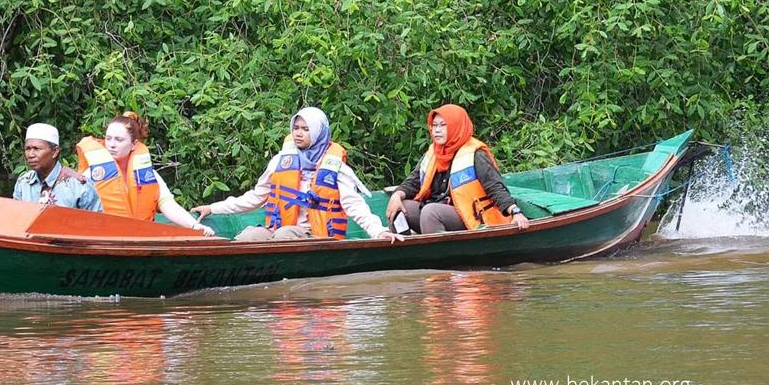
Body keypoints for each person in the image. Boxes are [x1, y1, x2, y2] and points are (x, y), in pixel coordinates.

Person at [191, 107, 399, 242]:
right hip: (277, 229)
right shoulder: (280, 161)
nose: (298, 133)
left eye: (305, 129)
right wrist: (213, 208)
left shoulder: (336, 168)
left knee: (285, 234)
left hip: (316, 236)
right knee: (248, 237)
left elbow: (354, 205)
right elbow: (255, 197)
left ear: (318, 132)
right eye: (296, 128)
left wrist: (378, 231)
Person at [385, 104, 529, 234]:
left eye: (443, 125)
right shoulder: (434, 153)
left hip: (470, 216)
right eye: (434, 125)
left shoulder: (476, 154)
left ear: (456, 126)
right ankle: (405, 250)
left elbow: (495, 187)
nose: (437, 130)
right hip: (437, 208)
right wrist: (396, 196)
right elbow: (413, 182)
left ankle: (438, 253)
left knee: (431, 212)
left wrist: (515, 212)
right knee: (398, 207)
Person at [76, 112, 215, 236]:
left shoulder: (149, 175)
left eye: (119, 140)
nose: (111, 145)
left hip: (142, 239)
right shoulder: (92, 174)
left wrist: (195, 225)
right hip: (105, 239)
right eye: (108, 138)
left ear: (134, 144)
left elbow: (169, 205)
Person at [13, 123, 102, 211]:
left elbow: (97, 219)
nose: (31, 154)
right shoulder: (24, 182)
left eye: (37, 149)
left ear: (55, 151)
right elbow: (16, 216)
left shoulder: (78, 185)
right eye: (27, 149)